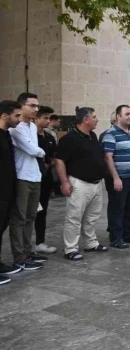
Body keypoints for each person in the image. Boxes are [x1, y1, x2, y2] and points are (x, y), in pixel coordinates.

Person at [55, 107, 109, 261]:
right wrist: (64, 182)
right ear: (86, 119)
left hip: (96, 183)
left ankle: (91, 243)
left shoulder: (92, 135)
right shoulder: (69, 138)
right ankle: (70, 248)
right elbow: (60, 161)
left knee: (92, 216)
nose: (97, 119)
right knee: (74, 217)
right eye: (94, 117)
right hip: (79, 183)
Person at [9, 92, 47, 270]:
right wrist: (41, 151)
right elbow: (33, 150)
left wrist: (39, 150)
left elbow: (36, 149)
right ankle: (19, 256)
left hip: (35, 176)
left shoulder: (32, 126)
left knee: (31, 216)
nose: (35, 109)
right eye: (32, 105)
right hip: (21, 177)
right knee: (19, 218)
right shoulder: (15, 129)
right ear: (21, 106)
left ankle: (28, 250)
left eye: (37, 106)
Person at [103, 105, 130, 249]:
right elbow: (108, 157)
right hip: (119, 179)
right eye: (127, 114)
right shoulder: (111, 134)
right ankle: (116, 237)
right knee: (117, 208)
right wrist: (116, 178)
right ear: (118, 116)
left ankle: (128, 234)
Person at [0, 101, 23, 282]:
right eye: (16, 115)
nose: (19, 119)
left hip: (7, 191)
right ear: (4, 116)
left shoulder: (6, 135)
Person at [34, 106, 58, 255]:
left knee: (42, 211)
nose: (48, 121)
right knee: (28, 213)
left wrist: (49, 164)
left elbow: (55, 155)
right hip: (30, 179)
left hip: (46, 179)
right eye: (45, 118)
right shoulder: (29, 136)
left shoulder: (49, 137)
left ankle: (39, 242)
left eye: (49, 118)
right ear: (36, 118)